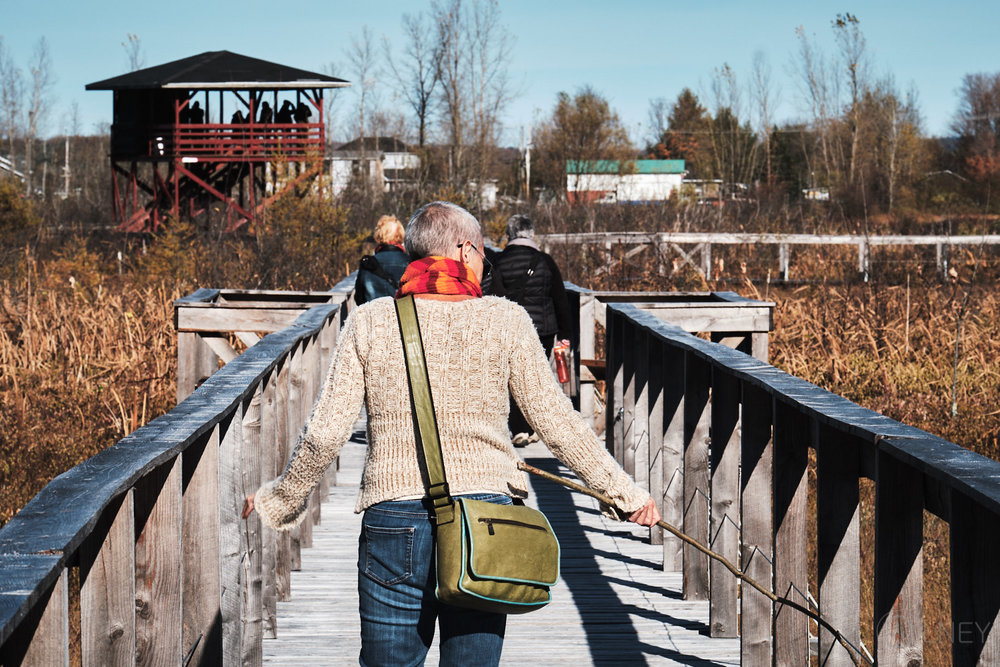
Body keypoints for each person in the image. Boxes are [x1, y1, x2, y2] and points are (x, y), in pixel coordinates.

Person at [242, 201, 659, 667]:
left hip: (393, 519)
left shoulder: (371, 321)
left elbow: (324, 432)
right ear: (464, 251)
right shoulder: (506, 321)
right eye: (484, 254)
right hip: (486, 520)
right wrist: (622, 492)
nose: (487, 266)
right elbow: (557, 423)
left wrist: (281, 497)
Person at [490, 214, 574, 446]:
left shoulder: (497, 261)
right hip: (543, 329)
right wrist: (565, 335)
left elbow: (493, 295)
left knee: (512, 377)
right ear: (533, 234)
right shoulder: (545, 262)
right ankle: (535, 427)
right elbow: (560, 299)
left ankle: (518, 429)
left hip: (510, 328)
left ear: (508, 235)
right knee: (536, 376)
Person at [354, 215, 410, 305]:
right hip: (402, 317)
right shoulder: (410, 262)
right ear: (400, 234)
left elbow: (359, 299)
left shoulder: (368, 263)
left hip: (374, 316)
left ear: (379, 234)